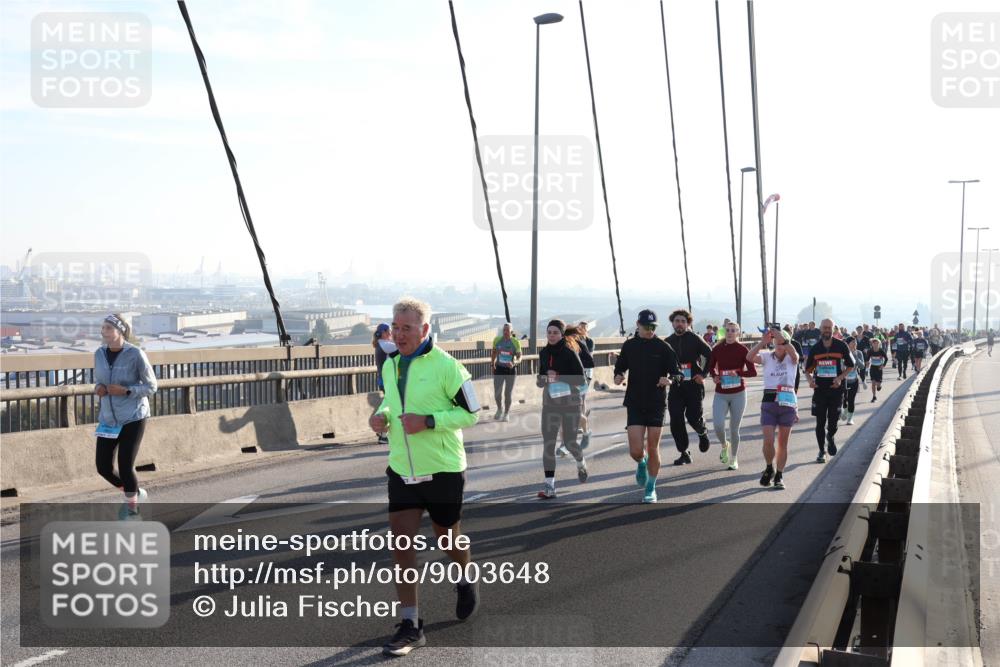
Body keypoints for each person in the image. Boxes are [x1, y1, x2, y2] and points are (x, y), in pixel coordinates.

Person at [369, 298, 481, 656]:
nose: (399, 334)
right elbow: (392, 401)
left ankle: (464, 576)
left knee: (448, 538)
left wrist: (429, 421)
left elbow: (472, 413)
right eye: (396, 327)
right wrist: (382, 416)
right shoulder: (391, 364)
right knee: (401, 543)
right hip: (402, 468)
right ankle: (411, 625)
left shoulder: (449, 367)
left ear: (425, 329)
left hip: (443, 468)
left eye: (407, 328)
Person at [94, 313, 158, 520]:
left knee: (125, 465)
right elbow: (98, 381)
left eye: (108, 328)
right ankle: (135, 493)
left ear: (120, 331)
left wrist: (127, 390)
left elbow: (151, 386)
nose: (104, 331)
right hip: (109, 419)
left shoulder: (136, 354)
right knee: (103, 467)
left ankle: (132, 511)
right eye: (103, 328)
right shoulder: (99, 354)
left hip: (133, 416)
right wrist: (98, 388)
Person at [613, 309, 680, 502]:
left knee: (652, 447)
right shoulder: (630, 345)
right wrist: (618, 376)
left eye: (653, 327)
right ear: (638, 325)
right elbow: (620, 367)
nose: (650, 330)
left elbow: (678, 374)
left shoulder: (663, 347)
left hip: (656, 403)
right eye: (646, 326)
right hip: (634, 402)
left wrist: (670, 380)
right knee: (635, 451)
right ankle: (641, 463)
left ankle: (651, 487)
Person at [536, 319, 589, 498]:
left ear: (561, 334)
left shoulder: (569, 352)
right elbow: (540, 379)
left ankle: (581, 462)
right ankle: (549, 486)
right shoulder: (543, 353)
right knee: (548, 444)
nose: (551, 336)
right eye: (549, 332)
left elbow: (581, 379)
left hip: (571, 404)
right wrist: (543, 379)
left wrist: (558, 376)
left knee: (569, 442)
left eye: (555, 333)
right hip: (550, 404)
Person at [747, 326, 799, 490]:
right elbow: (749, 357)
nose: (779, 345)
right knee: (768, 441)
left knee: (783, 443)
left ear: (786, 342)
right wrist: (762, 342)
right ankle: (769, 467)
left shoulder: (792, 358)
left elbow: (795, 355)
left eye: (782, 342)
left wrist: (784, 340)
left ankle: (779, 475)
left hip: (787, 403)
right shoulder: (767, 357)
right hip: (769, 402)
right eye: (777, 342)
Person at [666, 309, 714, 465]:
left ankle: (702, 432)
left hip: (694, 385)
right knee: (676, 420)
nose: (680, 324)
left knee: (693, 417)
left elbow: (711, 355)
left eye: (683, 321)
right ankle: (684, 452)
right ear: (672, 323)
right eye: (677, 321)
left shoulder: (695, 339)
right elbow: (661, 362)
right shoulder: (667, 341)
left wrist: (703, 374)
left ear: (688, 324)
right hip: (676, 386)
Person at [804, 318, 855, 463]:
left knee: (833, 422)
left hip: (836, 390)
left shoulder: (841, 345)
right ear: (820, 329)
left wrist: (840, 378)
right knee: (820, 422)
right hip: (820, 390)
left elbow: (851, 365)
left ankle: (830, 436)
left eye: (829, 328)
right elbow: (807, 370)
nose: (826, 330)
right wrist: (810, 381)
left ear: (833, 329)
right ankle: (821, 451)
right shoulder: (816, 348)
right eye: (824, 327)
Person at [708, 321, 756, 470]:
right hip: (721, 393)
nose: (730, 333)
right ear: (724, 331)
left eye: (733, 330)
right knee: (718, 425)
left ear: (738, 333)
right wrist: (715, 376)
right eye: (728, 330)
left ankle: (734, 458)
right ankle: (724, 445)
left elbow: (752, 372)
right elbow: (711, 367)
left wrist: (739, 373)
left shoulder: (743, 350)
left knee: (734, 429)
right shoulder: (717, 349)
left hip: (738, 394)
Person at [562, 325, 594, 452]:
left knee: (574, 414)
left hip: (578, 382)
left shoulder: (580, 345)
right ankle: (564, 444)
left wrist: (576, 363)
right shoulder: (559, 346)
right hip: (562, 383)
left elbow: (590, 362)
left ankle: (585, 432)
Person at [490, 323, 521, 422]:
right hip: (499, 369)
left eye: (507, 330)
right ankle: (500, 409)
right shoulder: (497, 340)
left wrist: (514, 362)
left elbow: (520, 357)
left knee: (508, 394)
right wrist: (492, 364)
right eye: (504, 330)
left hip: (510, 370)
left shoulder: (515, 342)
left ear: (511, 331)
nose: (505, 332)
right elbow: (494, 353)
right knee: (497, 393)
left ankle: (506, 413)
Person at [373, 323, 397, 445]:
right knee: (390, 406)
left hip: (384, 381)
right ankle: (383, 435)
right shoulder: (385, 345)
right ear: (382, 333)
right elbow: (404, 347)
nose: (391, 333)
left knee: (387, 404)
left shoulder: (380, 344)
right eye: (389, 331)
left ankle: (380, 430)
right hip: (387, 381)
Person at [840, 337, 864, 425]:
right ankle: (844, 410)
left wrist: (856, 357)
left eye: (855, 342)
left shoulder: (859, 353)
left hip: (854, 380)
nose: (855, 344)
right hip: (843, 381)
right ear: (847, 344)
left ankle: (850, 419)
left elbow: (862, 366)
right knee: (843, 399)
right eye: (853, 342)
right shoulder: (842, 353)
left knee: (851, 400)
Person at [867, 338, 888, 402]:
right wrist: (867, 363)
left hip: (879, 368)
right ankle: (874, 396)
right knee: (873, 382)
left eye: (877, 343)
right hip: (873, 367)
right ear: (872, 344)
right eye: (874, 343)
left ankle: (879, 385)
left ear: (879, 344)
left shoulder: (881, 351)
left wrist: (883, 365)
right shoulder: (870, 351)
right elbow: (867, 359)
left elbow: (886, 358)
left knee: (878, 384)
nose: (875, 345)